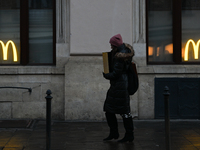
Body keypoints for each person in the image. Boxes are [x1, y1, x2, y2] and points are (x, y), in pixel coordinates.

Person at [103, 34, 135, 143]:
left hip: (120, 86)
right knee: (114, 110)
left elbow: (116, 73)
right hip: (120, 86)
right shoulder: (124, 53)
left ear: (116, 45)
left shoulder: (119, 57)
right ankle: (118, 133)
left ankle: (124, 134)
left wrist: (106, 75)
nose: (111, 47)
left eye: (112, 45)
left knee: (120, 111)